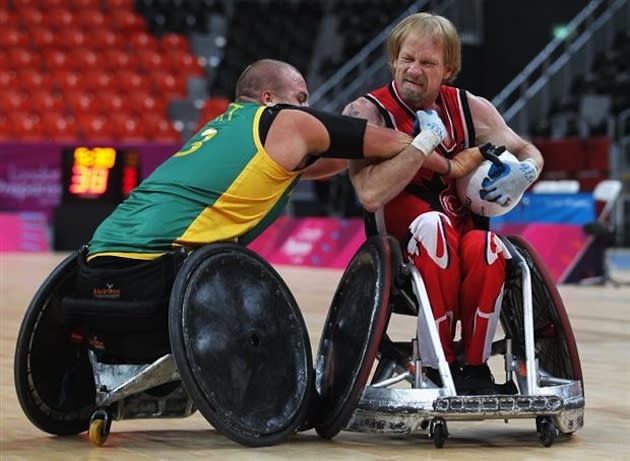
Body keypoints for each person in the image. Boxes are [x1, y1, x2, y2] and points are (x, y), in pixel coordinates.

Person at [78, 59, 488, 308]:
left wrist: (373, 162)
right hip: (157, 268)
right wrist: (447, 162)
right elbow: (391, 140)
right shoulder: (285, 121)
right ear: (271, 98)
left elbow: (331, 163)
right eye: (302, 96)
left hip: (96, 260)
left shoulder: (221, 129)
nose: (308, 108)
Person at [343, 13, 544, 395]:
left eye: (427, 62)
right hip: (405, 245)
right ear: (393, 60)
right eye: (407, 59)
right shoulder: (367, 113)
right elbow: (369, 194)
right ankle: (439, 366)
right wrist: (421, 146)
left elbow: (526, 148)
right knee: (434, 226)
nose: (413, 70)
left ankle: (474, 366)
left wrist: (528, 170)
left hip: (465, 237)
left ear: (447, 69)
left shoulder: (473, 109)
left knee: (489, 247)